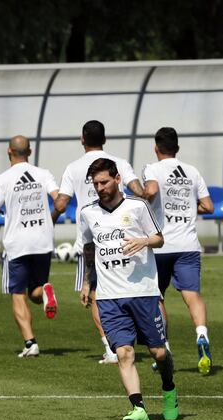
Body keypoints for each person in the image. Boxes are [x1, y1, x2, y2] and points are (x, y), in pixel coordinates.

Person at [80, 158, 178, 420]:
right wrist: (89, 282)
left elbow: (159, 238)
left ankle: (169, 388)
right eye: (95, 183)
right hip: (110, 296)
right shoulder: (88, 213)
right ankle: (139, 409)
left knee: (158, 352)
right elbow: (89, 247)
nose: (99, 187)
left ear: (117, 179)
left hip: (143, 292)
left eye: (104, 182)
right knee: (124, 353)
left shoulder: (137, 206)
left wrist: (143, 240)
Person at [54, 120, 144, 365]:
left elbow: (61, 204)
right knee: (132, 289)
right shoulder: (119, 164)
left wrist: (52, 218)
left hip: (93, 240)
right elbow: (139, 190)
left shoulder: (73, 168)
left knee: (95, 294)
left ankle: (111, 348)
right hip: (123, 237)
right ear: (104, 139)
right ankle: (149, 342)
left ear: (82, 140)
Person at [142, 127, 214, 374]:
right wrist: (187, 207)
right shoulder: (192, 171)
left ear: (156, 147)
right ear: (177, 148)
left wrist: (143, 199)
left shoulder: (152, 169)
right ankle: (201, 335)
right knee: (192, 294)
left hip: (161, 245)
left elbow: (150, 191)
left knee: (157, 296)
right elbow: (208, 205)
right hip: (188, 245)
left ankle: (166, 348)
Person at [0, 135, 58, 357]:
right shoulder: (43, 174)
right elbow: (59, 199)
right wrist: (50, 217)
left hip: (17, 243)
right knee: (36, 292)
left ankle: (30, 344)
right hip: (43, 241)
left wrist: (3, 209)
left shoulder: (2, 179)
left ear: (9, 152)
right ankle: (46, 293)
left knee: (18, 294)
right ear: (30, 151)